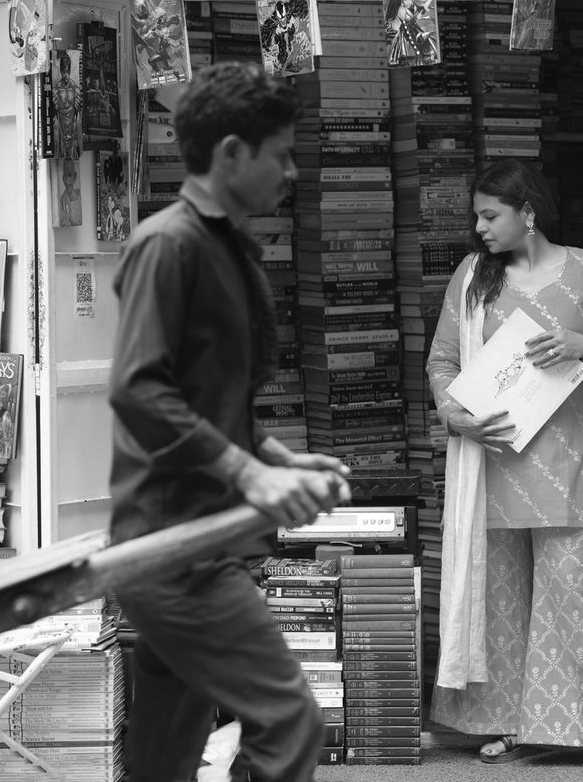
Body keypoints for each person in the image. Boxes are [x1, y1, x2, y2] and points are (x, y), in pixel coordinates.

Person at [108, 62, 351, 782]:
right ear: (231, 154)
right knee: (289, 723)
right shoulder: (169, 244)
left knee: (162, 756)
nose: (290, 172)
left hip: (201, 539)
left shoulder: (224, 245)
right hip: (174, 550)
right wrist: (249, 471)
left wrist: (276, 460)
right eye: (279, 154)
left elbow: (211, 402)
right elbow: (139, 390)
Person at [427, 158, 583, 775]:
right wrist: (453, 414)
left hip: (564, 457)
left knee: (570, 586)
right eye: (477, 217)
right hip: (489, 460)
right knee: (501, 595)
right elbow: (442, 361)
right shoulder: (473, 278)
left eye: (491, 215)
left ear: (528, 212)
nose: (481, 228)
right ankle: (508, 721)